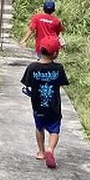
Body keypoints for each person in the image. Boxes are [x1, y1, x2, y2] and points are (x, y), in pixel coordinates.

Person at [20, 37, 70, 168]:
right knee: (54, 130)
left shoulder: (32, 67)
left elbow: (27, 84)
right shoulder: (58, 68)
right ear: (55, 53)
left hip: (38, 106)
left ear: (40, 50)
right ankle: (50, 149)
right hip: (54, 107)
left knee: (39, 127)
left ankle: (41, 152)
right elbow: (62, 82)